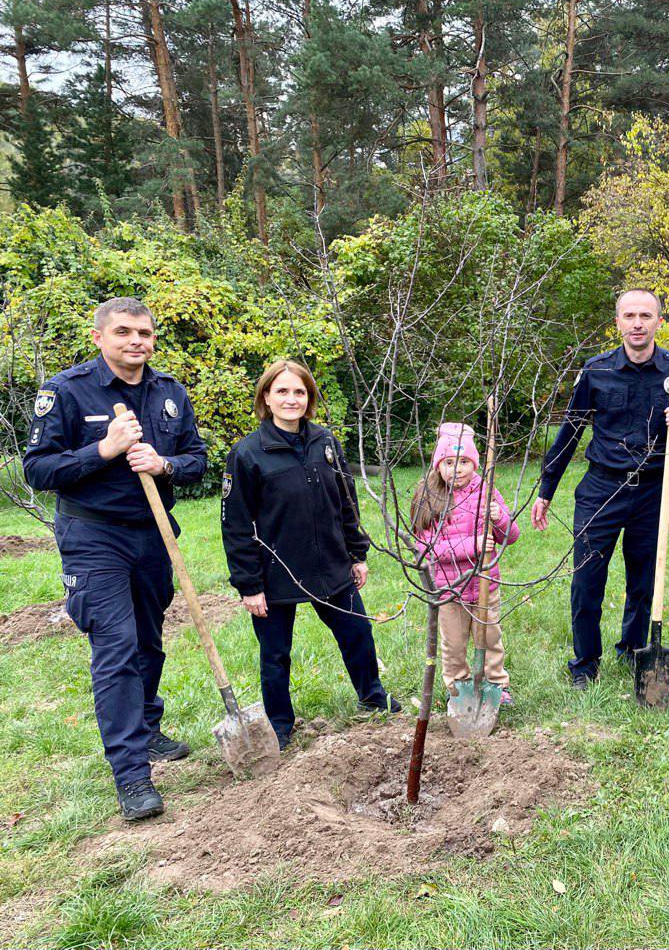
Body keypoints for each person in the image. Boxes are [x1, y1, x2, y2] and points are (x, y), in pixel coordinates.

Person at [23, 297, 208, 821]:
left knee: (149, 641)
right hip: (93, 536)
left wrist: (165, 462)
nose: (137, 342)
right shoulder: (65, 390)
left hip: (153, 535)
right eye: (125, 332)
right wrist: (103, 450)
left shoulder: (169, 392)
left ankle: (147, 729)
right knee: (118, 647)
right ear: (100, 336)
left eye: (145, 333)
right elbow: (38, 470)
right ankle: (131, 776)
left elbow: (197, 459)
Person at [531, 288, 669, 689]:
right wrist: (546, 489)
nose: (637, 323)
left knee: (643, 579)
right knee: (586, 579)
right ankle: (585, 662)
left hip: (653, 489)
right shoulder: (596, 371)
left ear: (659, 322)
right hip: (601, 489)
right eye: (629, 315)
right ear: (617, 322)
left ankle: (633, 650)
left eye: (645, 316)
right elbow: (570, 432)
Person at [220, 360, 398, 751]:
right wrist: (249, 585)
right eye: (281, 391)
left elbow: (347, 502)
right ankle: (279, 723)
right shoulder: (247, 454)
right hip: (276, 572)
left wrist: (357, 553)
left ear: (309, 398)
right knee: (276, 653)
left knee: (357, 633)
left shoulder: (325, 443)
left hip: (331, 563)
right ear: (266, 397)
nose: (291, 399)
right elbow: (234, 525)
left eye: (299, 391)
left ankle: (372, 695)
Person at [411, 423, 521, 704]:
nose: (457, 469)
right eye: (449, 462)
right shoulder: (429, 496)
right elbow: (427, 548)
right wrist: (471, 546)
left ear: (474, 462)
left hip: (486, 584)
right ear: (438, 464)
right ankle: (458, 689)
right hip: (450, 589)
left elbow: (511, 537)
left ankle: (496, 684)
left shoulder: (485, 490)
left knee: (490, 638)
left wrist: (499, 519)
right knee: (455, 645)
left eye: (463, 462)